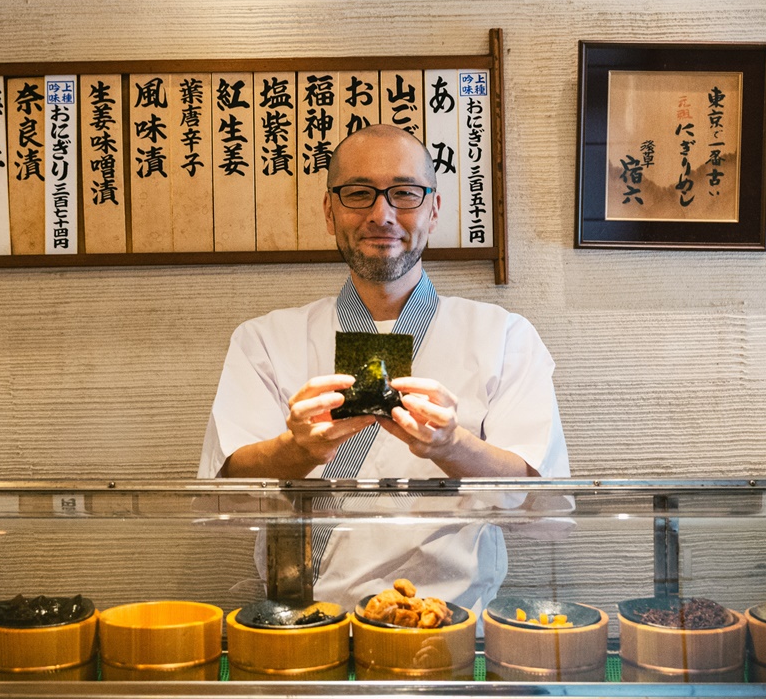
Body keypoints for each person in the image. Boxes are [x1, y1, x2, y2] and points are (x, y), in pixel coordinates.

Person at [198, 124, 568, 616]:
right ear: (329, 211)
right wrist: (298, 448)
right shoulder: (264, 340)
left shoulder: (504, 336)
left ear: (434, 210)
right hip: (302, 625)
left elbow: (545, 510)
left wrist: (452, 446)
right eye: (358, 194)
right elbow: (222, 501)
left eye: (404, 193)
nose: (381, 214)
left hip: (451, 627)